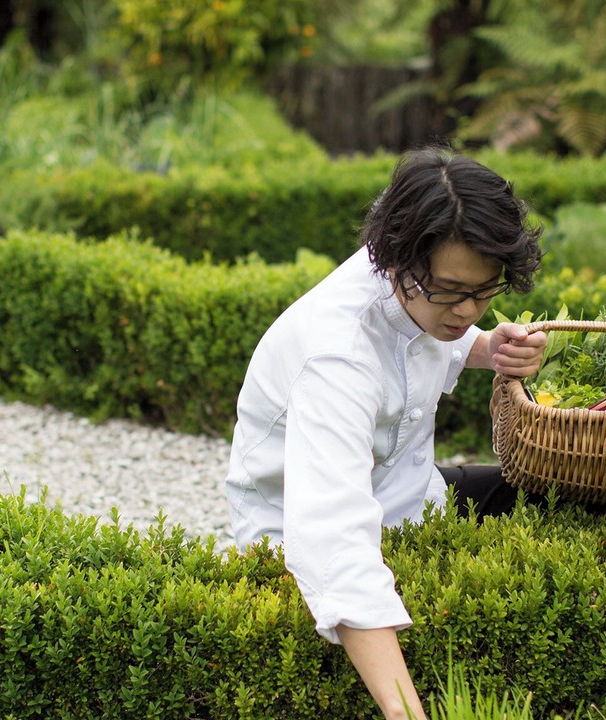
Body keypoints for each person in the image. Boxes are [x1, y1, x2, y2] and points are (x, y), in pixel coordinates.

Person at [224, 146, 547, 720]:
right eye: (451, 291)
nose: (469, 309)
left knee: (553, 492)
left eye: (485, 291)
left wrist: (488, 350)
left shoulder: (422, 289)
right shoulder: (337, 358)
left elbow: (427, 341)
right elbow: (336, 544)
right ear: (397, 260)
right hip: (295, 524)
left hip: (406, 492)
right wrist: (407, 715)